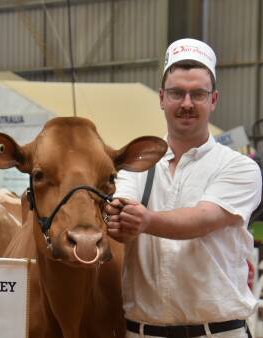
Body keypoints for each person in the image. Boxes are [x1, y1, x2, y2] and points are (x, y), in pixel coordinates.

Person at [105, 38, 262, 338]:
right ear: (162, 98)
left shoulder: (240, 167)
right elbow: (119, 210)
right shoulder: (135, 167)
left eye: (198, 94)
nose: (187, 104)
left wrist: (146, 221)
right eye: (177, 93)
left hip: (217, 333)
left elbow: (204, 219)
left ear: (213, 100)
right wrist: (117, 220)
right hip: (142, 333)